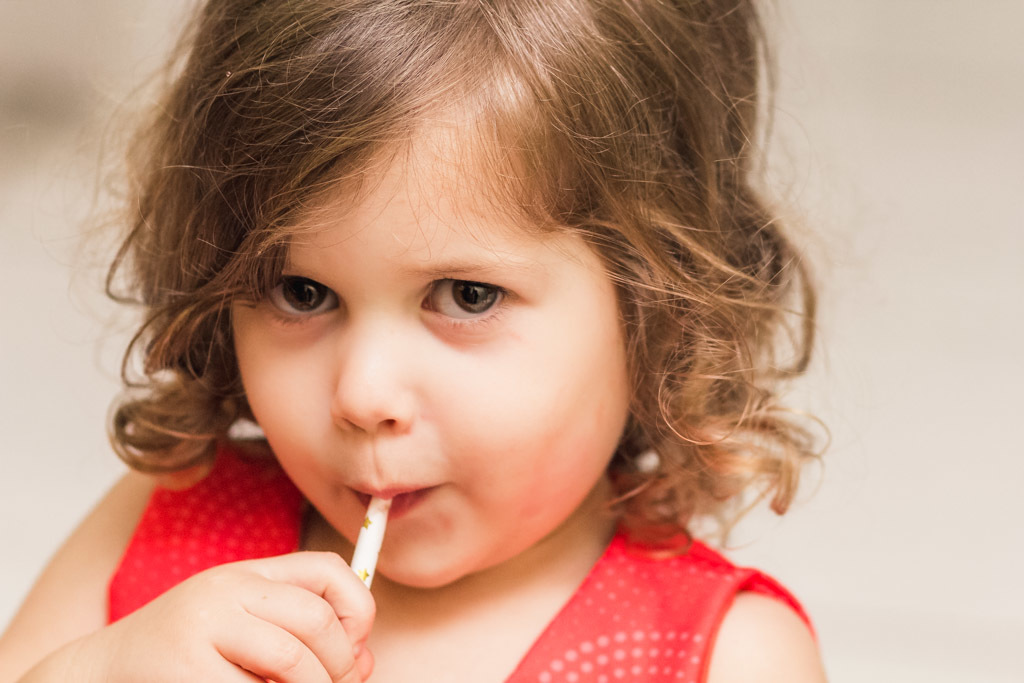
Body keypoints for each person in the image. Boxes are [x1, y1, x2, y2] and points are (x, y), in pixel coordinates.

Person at [0, 0, 828, 680]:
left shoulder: (728, 658)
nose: (362, 393)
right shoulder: (173, 513)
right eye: (302, 291)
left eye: (467, 296)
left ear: (661, 308)